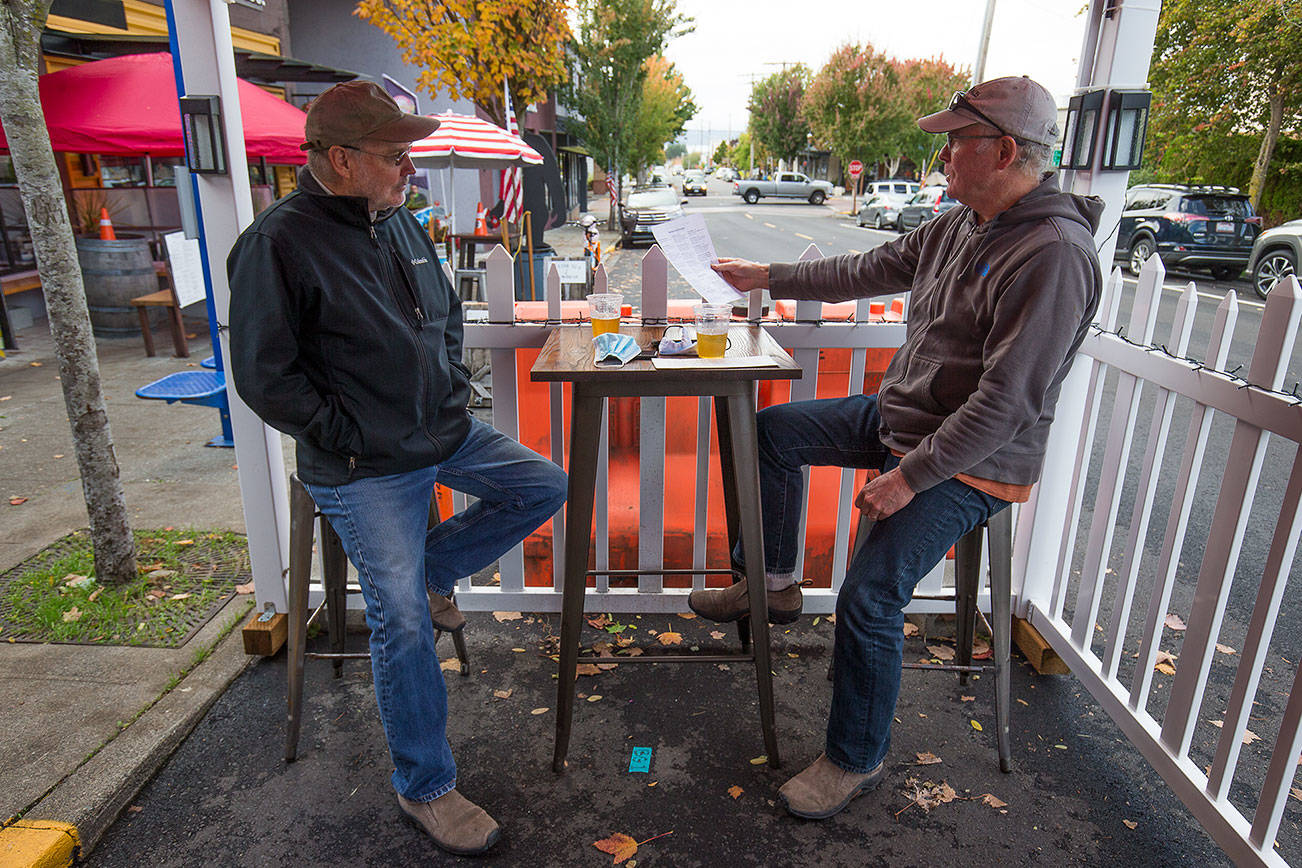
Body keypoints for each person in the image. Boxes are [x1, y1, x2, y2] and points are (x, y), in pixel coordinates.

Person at [688, 76, 1103, 820]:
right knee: (770, 432)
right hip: (903, 419)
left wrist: (909, 478)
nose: (941, 154)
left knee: (869, 594)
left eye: (955, 141)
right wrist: (771, 275)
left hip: (974, 460)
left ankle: (855, 758)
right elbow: (868, 268)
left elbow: (1008, 404)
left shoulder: (1054, 254)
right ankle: (774, 581)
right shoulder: (960, 224)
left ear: (1004, 150)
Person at [226, 81, 567, 856]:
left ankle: (429, 569)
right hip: (360, 464)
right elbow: (263, 375)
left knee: (544, 484)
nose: (409, 166)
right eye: (393, 154)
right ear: (340, 160)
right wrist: (346, 433)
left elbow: (443, 318)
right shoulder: (278, 242)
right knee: (403, 623)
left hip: (437, 433)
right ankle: (426, 788)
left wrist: (446, 394)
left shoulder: (399, 221)